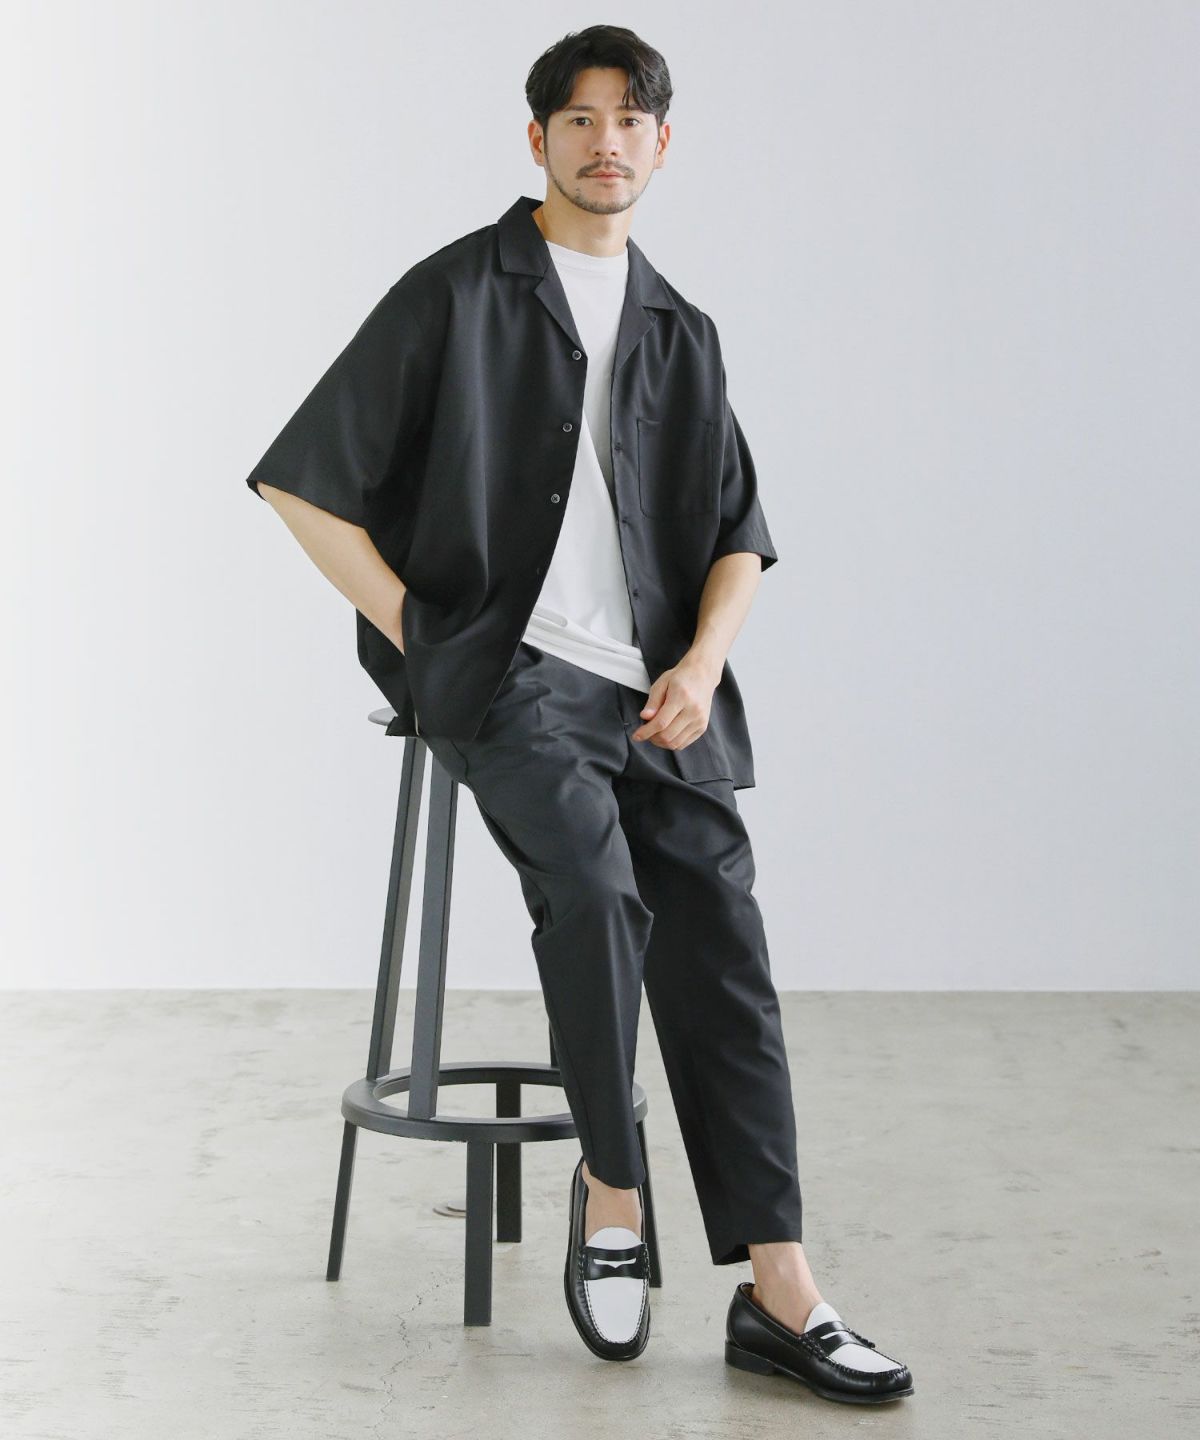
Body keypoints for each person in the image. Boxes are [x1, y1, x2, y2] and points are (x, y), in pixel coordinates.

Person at [244, 23, 912, 1404]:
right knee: (600, 898)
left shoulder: (681, 328)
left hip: (657, 693)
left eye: (631, 121)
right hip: (513, 682)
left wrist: (704, 664)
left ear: (664, 144)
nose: (607, 142)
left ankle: (780, 1289)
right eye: (581, 119)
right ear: (538, 137)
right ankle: (613, 1195)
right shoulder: (458, 292)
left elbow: (740, 535)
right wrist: (428, 637)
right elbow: (299, 478)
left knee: (721, 939)